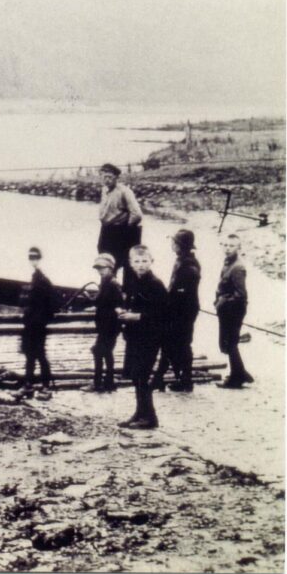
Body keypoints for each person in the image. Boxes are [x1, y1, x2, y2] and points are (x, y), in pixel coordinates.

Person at [118, 245, 168, 430]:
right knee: (135, 376)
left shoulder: (156, 284)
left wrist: (137, 316)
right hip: (134, 336)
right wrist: (123, 310)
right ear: (131, 264)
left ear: (151, 262)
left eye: (144, 261)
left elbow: (163, 313)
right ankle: (140, 413)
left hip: (150, 338)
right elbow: (132, 303)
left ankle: (150, 417)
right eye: (137, 262)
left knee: (142, 375)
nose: (141, 265)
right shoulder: (134, 281)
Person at [152, 229, 201, 392]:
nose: (171, 245)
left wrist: (171, 297)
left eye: (174, 242)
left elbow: (183, 290)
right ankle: (161, 378)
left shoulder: (189, 265)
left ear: (180, 246)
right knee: (170, 342)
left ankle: (185, 380)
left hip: (183, 311)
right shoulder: (182, 260)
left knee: (182, 344)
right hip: (179, 308)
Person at [215, 234, 253, 389]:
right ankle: (240, 372)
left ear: (239, 248)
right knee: (228, 343)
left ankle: (236, 379)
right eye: (225, 245)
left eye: (231, 246)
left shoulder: (238, 267)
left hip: (234, 310)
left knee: (230, 343)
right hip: (226, 309)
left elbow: (241, 295)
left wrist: (224, 301)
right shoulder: (228, 263)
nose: (227, 248)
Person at [97, 163, 143, 278]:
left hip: (119, 232)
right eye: (104, 177)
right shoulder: (104, 190)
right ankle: (108, 288)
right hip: (106, 231)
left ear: (116, 178)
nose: (107, 180)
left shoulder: (124, 192)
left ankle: (125, 292)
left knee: (123, 263)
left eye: (110, 177)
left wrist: (125, 228)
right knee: (105, 261)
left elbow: (137, 214)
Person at [20, 246, 56, 395]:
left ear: (39, 259)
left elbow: (52, 301)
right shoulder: (35, 277)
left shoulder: (42, 279)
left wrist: (44, 318)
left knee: (39, 354)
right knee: (29, 353)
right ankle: (29, 383)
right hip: (30, 323)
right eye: (30, 258)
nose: (32, 260)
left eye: (35, 258)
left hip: (38, 323)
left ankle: (45, 384)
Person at [86, 253, 121, 393]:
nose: (100, 271)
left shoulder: (113, 284)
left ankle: (98, 383)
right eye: (98, 269)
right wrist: (91, 299)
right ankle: (109, 382)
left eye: (103, 268)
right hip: (105, 325)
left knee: (98, 351)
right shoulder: (105, 283)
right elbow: (103, 301)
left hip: (110, 326)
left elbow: (118, 304)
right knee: (106, 353)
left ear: (110, 268)